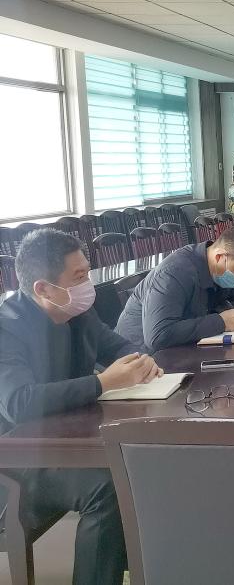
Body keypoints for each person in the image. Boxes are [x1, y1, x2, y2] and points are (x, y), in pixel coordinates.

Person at [0, 230, 164, 585]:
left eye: (87, 272)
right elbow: (19, 404)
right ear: (44, 289)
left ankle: (135, 568)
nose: (88, 284)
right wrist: (103, 383)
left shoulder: (75, 312)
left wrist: (140, 361)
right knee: (109, 486)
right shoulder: (7, 329)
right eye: (79, 276)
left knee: (143, 461)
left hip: (63, 441)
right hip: (17, 459)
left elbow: (116, 346)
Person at [116, 224, 234, 352]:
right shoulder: (174, 273)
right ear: (220, 257)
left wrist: (220, 314)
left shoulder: (221, 270)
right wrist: (219, 322)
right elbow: (158, 336)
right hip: (142, 356)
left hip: (185, 347)